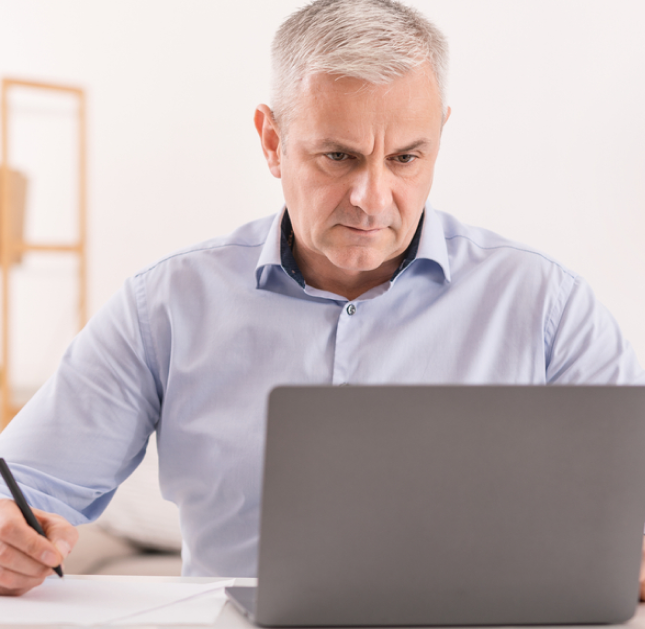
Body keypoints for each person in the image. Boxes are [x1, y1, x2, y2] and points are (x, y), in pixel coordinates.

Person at [0, 0, 644, 598]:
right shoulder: (163, 306)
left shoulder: (547, 306)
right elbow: (25, 490)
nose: (372, 195)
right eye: (338, 156)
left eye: (406, 157)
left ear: (440, 137)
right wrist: (10, 539)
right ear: (272, 141)